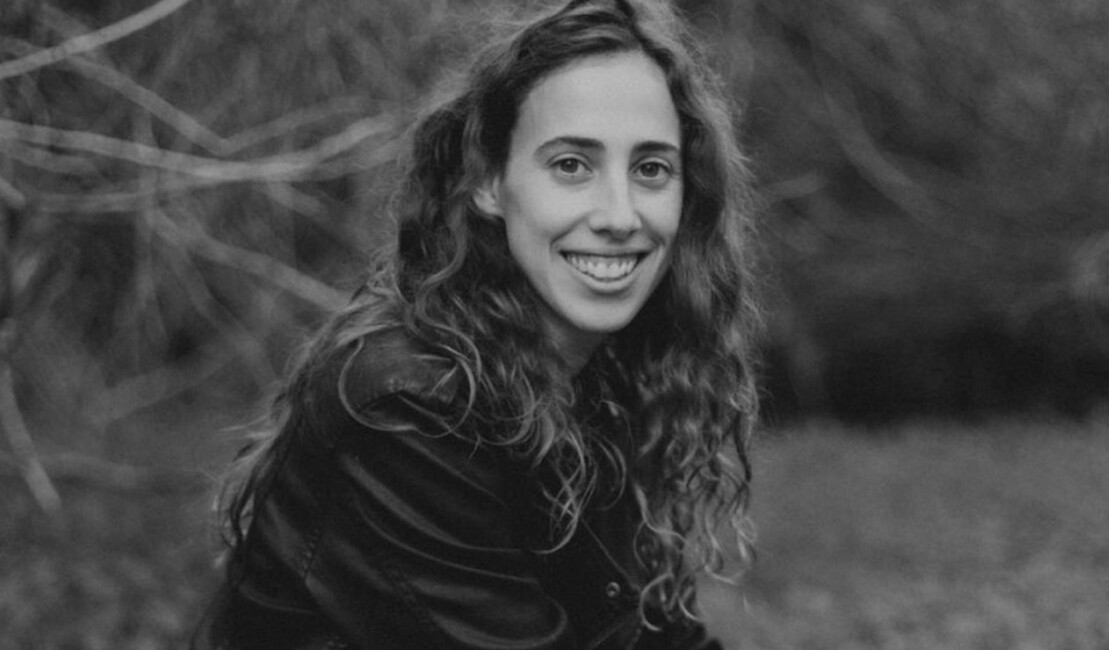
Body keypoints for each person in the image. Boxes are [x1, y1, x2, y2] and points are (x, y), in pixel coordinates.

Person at [192, 0, 761, 648]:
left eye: (651, 169)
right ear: (489, 179)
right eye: (572, 164)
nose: (620, 214)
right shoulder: (407, 403)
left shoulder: (610, 371)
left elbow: (654, 636)